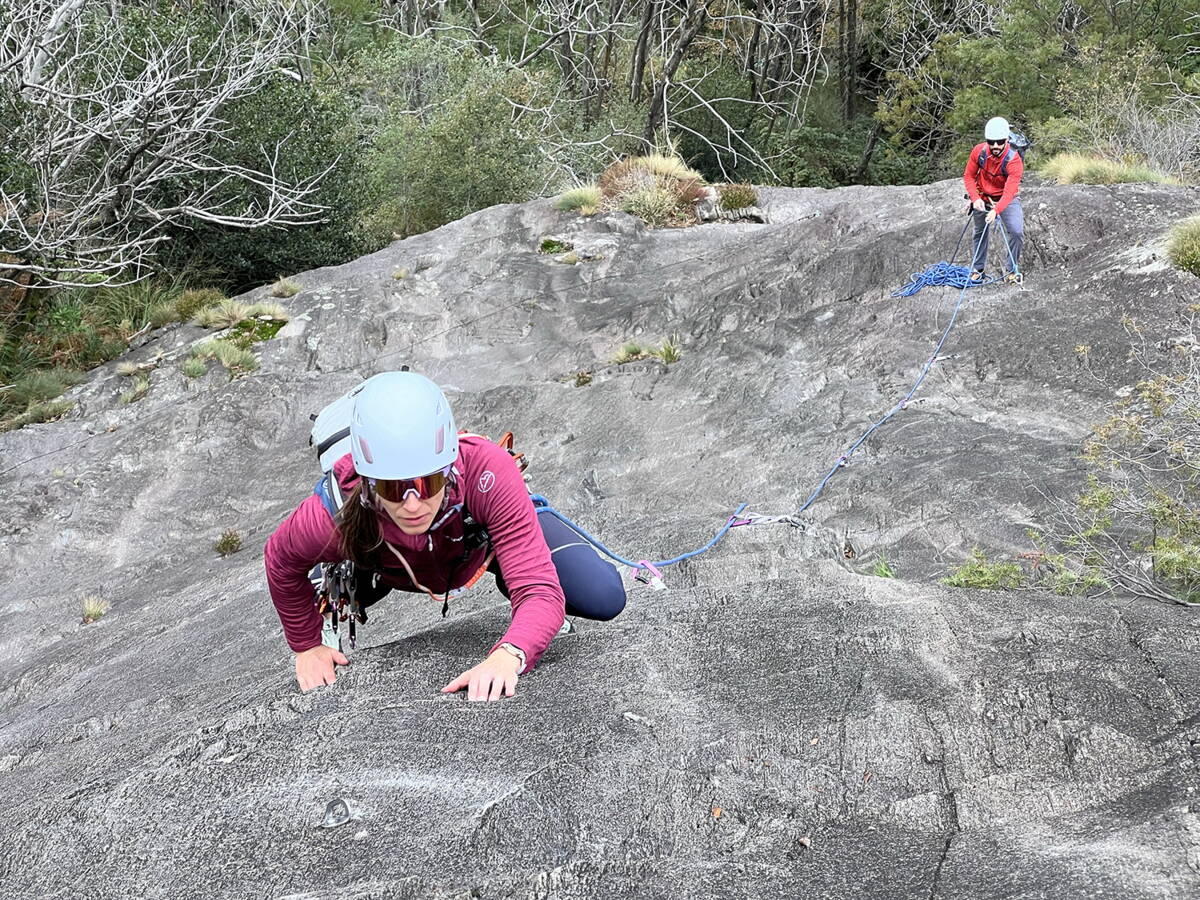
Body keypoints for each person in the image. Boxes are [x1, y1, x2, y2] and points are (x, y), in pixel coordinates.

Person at [264, 371, 626, 700]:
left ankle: (514, 586)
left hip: (478, 546)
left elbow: (540, 590)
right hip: (378, 559)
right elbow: (281, 559)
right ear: (367, 481)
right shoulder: (338, 509)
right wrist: (306, 645)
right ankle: (335, 592)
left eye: (428, 482)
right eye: (392, 487)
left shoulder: (488, 474)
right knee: (325, 588)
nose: (412, 503)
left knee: (602, 595)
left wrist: (511, 653)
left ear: (449, 465)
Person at [963, 116, 1024, 284]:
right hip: (982, 196)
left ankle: (1012, 271)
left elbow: (1010, 191)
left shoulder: (1014, 160)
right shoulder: (979, 152)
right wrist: (975, 198)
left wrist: (996, 211)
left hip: (1006, 198)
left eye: (999, 141)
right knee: (980, 232)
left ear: (1006, 140)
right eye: (991, 142)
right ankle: (978, 269)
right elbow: (968, 176)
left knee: (1016, 232)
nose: (995, 146)